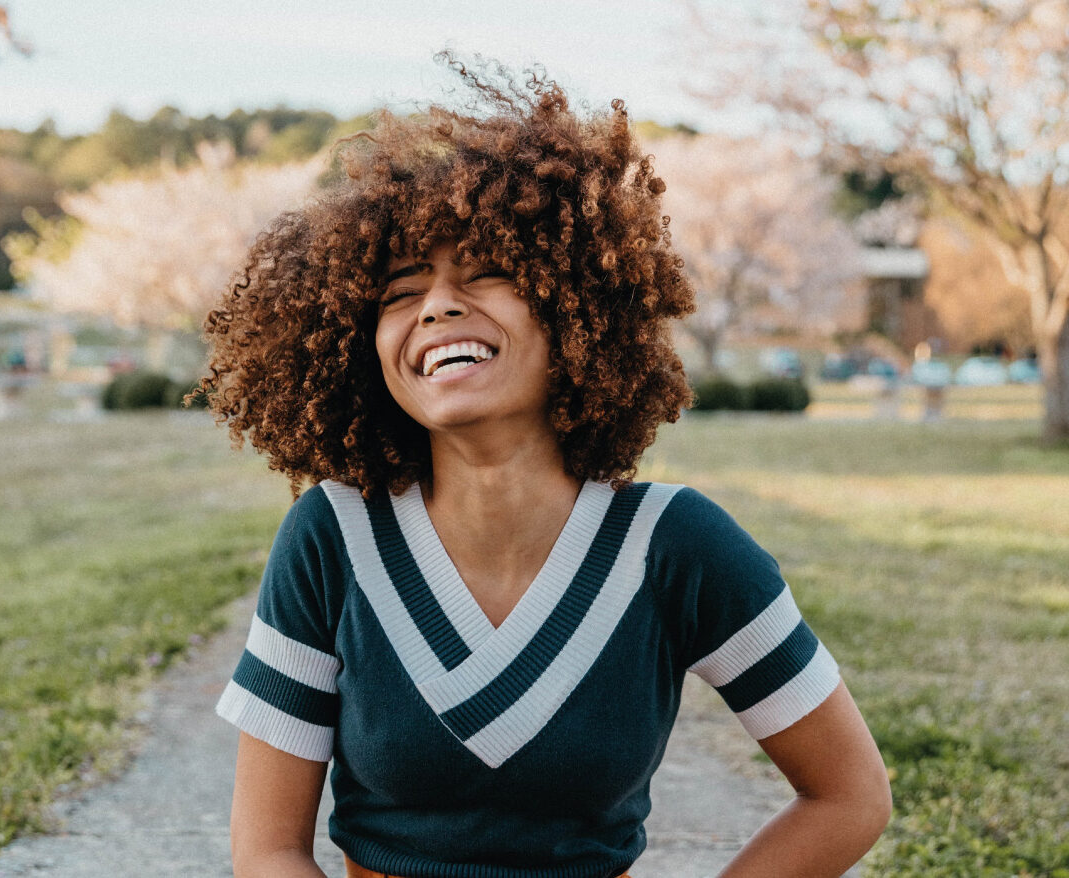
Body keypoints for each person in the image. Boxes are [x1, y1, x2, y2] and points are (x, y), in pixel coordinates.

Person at [202, 56, 891, 878]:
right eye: (399, 293)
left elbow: (849, 797)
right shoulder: (333, 534)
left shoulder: (675, 544)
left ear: (576, 309)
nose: (438, 305)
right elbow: (267, 849)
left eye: (487, 272)